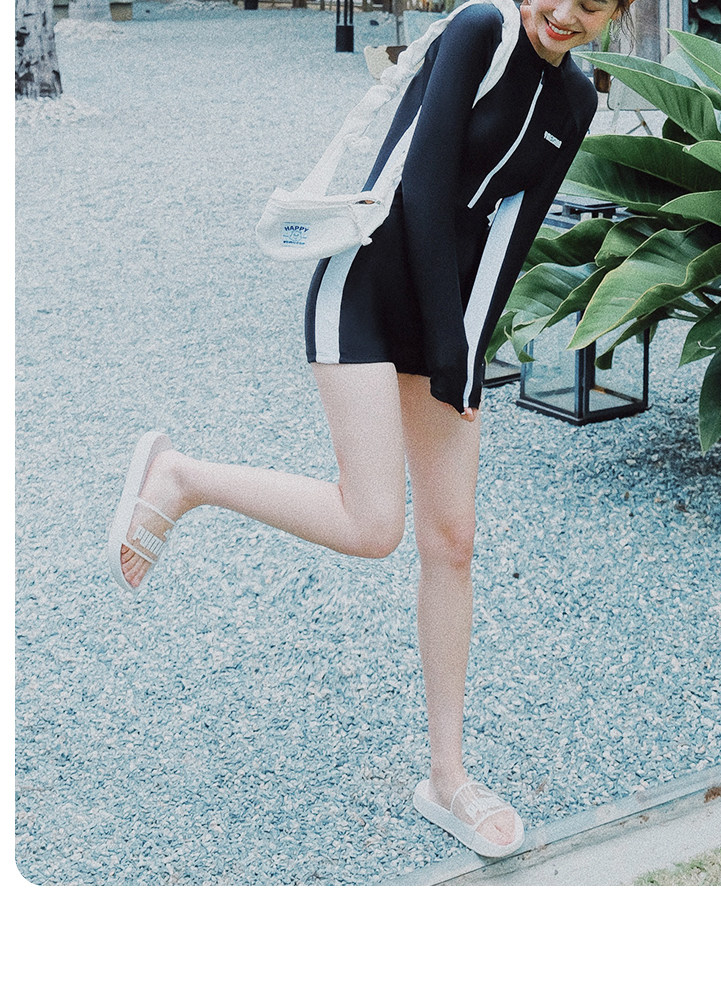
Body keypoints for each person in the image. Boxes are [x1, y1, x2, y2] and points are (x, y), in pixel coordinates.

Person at [108, 0, 635, 859]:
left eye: (592, 5)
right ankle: (183, 477)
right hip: (364, 290)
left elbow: (511, 237)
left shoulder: (576, 99)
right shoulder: (481, 29)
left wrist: (470, 352)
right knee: (372, 524)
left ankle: (447, 780)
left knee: (452, 541)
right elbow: (421, 189)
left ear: (615, 15)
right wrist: (448, 347)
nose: (564, 14)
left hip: (443, 319)